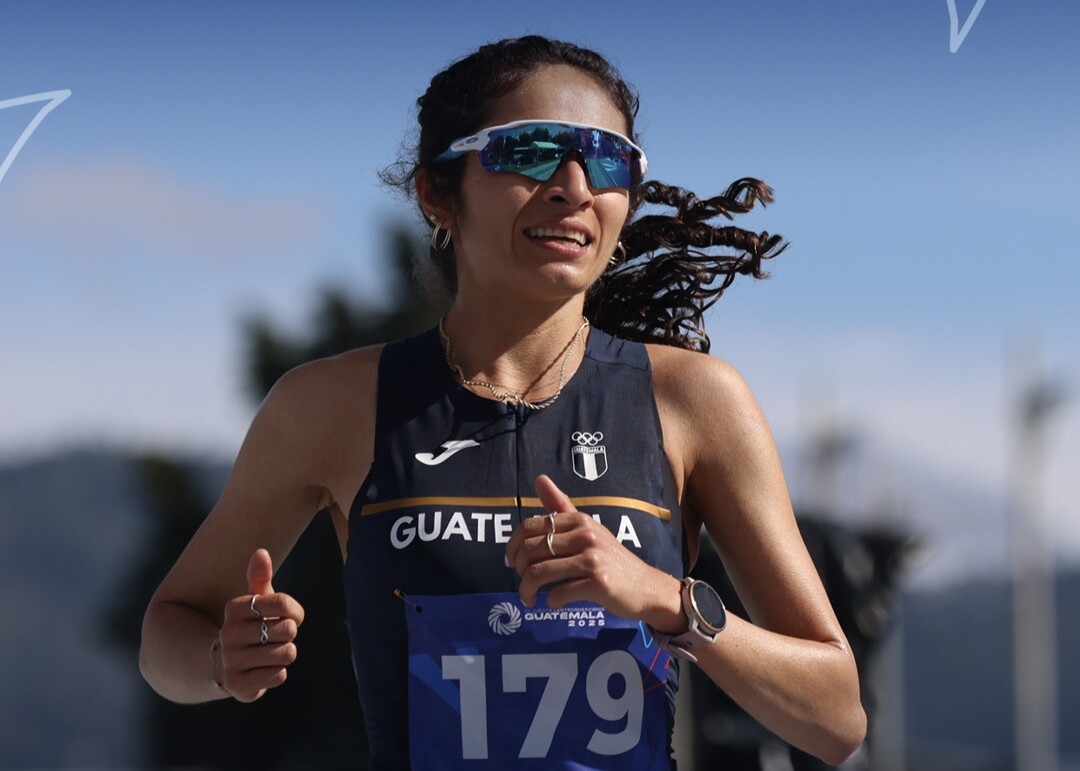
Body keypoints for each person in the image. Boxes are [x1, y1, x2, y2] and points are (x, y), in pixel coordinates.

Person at [140, 35, 866, 770]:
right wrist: (221, 661)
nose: (574, 186)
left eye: (607, 159)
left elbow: (837, 718)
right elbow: (167, 632)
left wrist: (666, 599)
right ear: (436, 193)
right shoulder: (331, 405)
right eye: (531, 150)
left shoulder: (695, 399)